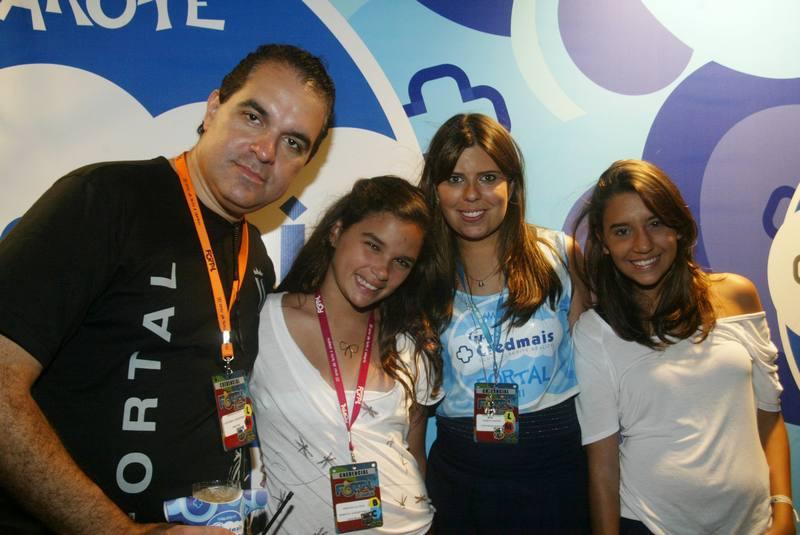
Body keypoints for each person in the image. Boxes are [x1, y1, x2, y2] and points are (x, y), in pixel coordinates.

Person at [0, 43, 335, 534]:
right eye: (253, 116)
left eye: (293, 142)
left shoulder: (256, 261)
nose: (266, 151)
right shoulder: (106, 199)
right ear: (213, 107)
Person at [572, 159, 794, 535]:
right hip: (649, 524)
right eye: (622, 231)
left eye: (655, 223)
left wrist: (784, 510)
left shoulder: (738, 295)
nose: (642, 244)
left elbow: (769, 417)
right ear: (604, 243)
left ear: (677, 226)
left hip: (755, 524)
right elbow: (603, 466)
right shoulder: (596, 332)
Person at [418, 113, 589, 533]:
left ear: (511, 185)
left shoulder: (560, 254)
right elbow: (413, 414)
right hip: (462, 485)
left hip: (558, 480)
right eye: (454, 179)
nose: (471, 195)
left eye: (488, 177)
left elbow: (600, 372)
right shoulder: (419, 277)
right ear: (435, 189)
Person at [249, 175, 443, 534]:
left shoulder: (409, 342)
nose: (382, 271)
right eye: (372, 245)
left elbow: (415, 456)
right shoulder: (262, 323)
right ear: (337, 232)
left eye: (401, 262)